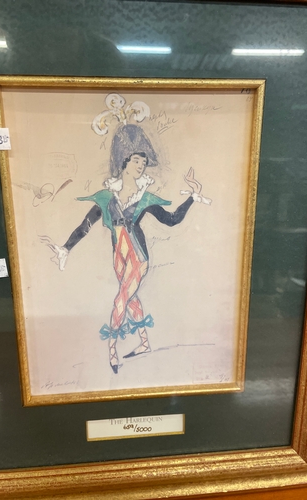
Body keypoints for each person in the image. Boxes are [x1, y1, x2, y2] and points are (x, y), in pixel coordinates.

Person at [44, 124, 208, 374]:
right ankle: (144, 343)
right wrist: (66, 248)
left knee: (121, 299)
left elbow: (172, 219)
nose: (141, 165)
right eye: (136, 160)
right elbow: (86, 224)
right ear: (124, 161)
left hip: (138, 257)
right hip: (118, 256)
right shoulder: (107, 196)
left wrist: (192, 197)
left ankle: (111, 351)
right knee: (131, 299)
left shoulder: (145, 198)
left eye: (144, 161)